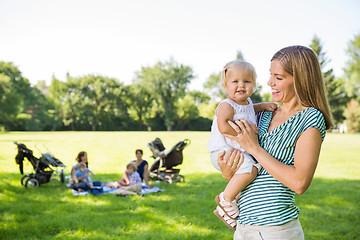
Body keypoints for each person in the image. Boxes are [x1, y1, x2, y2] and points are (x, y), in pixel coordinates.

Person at [217, 46, 332, 239]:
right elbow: (252, 170)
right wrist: (228, 171)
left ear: (301, 80)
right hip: (244, 227)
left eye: (278, 77)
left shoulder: (310, 119)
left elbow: (299, 183)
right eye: (271, 75)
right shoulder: (263, 114)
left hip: (276, 230)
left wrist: (254, 147)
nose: (270, 83)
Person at [207, 60, 277, 230]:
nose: (241, 85)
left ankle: (226, 207)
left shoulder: (248, 103)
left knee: (255, 168)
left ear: (254, 84)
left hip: (236, 151)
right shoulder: (226, 105)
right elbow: (224, 127)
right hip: (222, 151)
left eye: (247, 81)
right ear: (226, 85)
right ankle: (226, 199)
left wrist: (264, 106)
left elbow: (252, 109)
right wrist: (246, 134)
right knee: (251, 169)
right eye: (235, 81)